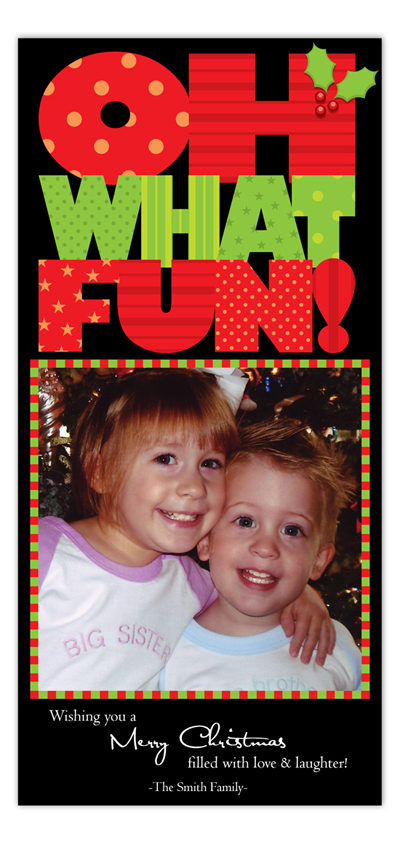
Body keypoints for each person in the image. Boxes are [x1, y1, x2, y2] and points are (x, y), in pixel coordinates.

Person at [39, 371, 335, 692]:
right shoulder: (46, 552)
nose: (194, 487)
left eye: (210, 463)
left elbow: (254, 587)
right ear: (101, 472)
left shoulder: (192, 584)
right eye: (166, 458)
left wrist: (303, 594)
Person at [159, 419, 361, 692]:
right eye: (245, 522)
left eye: (292, 530)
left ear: (318, 560)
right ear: (206, 539)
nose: (266, 548)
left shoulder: (334, 647)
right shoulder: (167, 654)